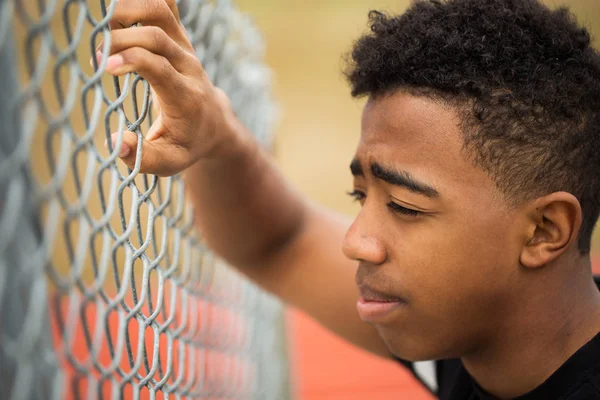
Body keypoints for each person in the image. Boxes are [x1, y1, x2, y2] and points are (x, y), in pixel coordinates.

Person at [96, 0, 600, 398]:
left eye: (405, 206)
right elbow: (281, 242)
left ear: (545, 231)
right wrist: (214, 137)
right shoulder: (472, 333)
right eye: (359, 196)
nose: (356, 241)